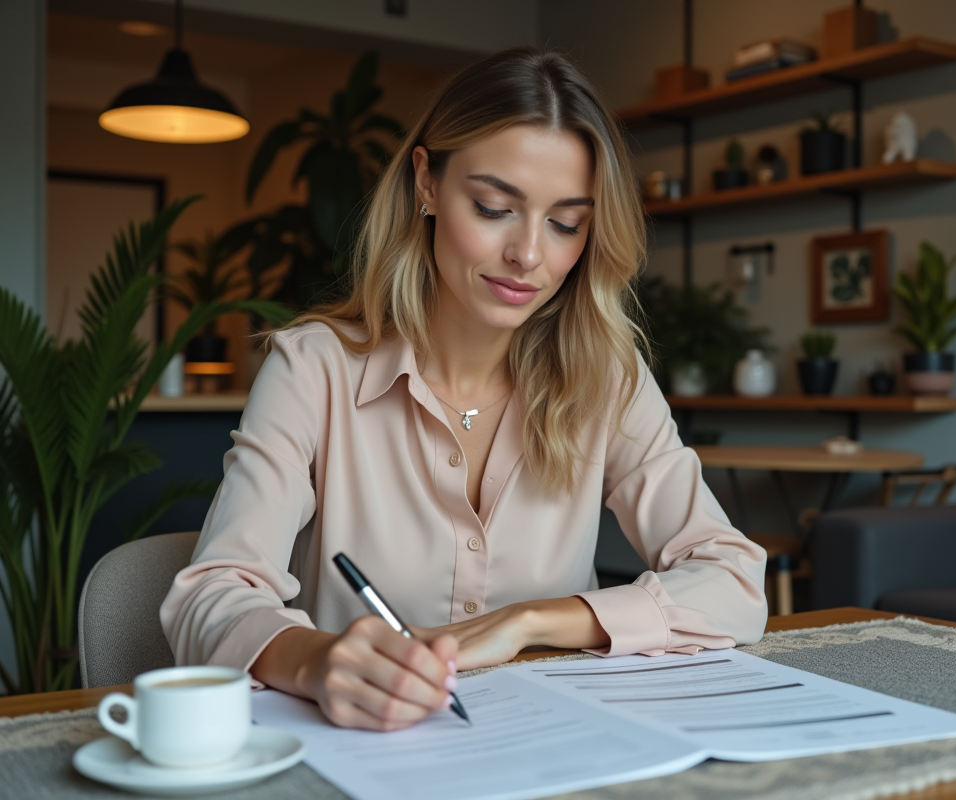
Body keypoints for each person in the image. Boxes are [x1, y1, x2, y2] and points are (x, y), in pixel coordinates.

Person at [160, 46, 767, 733]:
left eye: (567, 223)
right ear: (426, 183)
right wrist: (316, 661)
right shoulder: (315, 370)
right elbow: (211, 593)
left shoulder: (607, 379)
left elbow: (734, 580)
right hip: (362, 751)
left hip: (555, 750)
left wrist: (529, 622)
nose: (529, 254)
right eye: (493, 207)